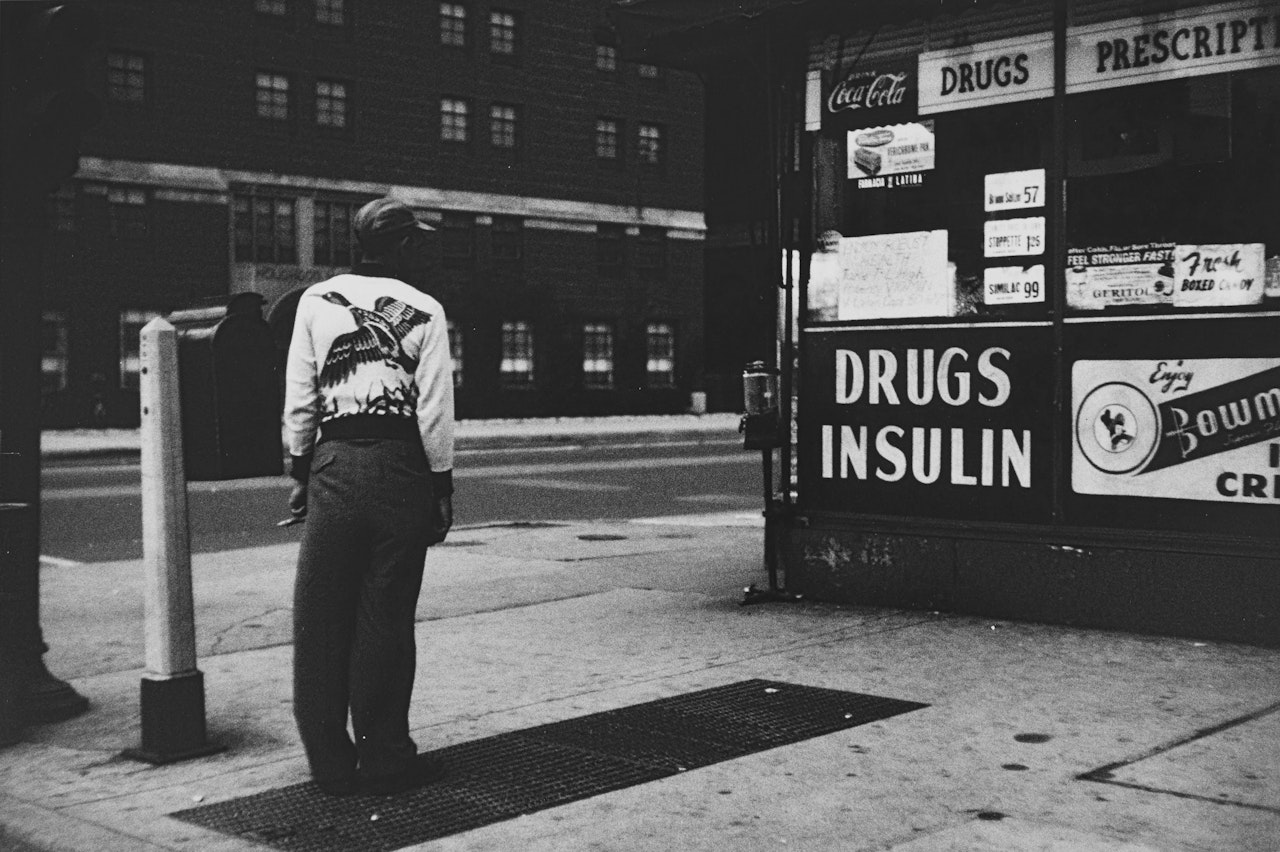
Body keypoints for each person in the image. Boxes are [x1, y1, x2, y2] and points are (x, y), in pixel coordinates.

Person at [283, 197, 455, 796]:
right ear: (404, 245)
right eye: (418, 242)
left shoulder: (313, 300)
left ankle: (329, 763)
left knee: (321, 617)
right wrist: (442, 486)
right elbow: (434, 411)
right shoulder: (427, 310)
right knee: (385, 618)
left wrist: (303, 470)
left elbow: (302, 397)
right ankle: (386, 757)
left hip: (333, 463)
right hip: (401, 467)